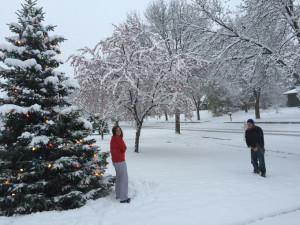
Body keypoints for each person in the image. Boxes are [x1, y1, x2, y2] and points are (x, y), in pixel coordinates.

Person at [110, 125, 130, 203]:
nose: (118, 132)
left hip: (115, 161)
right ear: (114, 132)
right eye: (117, 130)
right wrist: (121, 151)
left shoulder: (113, 138)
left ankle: (118, 194)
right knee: (124, 179)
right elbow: (124, 148)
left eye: (119, 130)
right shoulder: (118, 139)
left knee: (119, 178)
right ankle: (124, 198)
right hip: (120, 161)